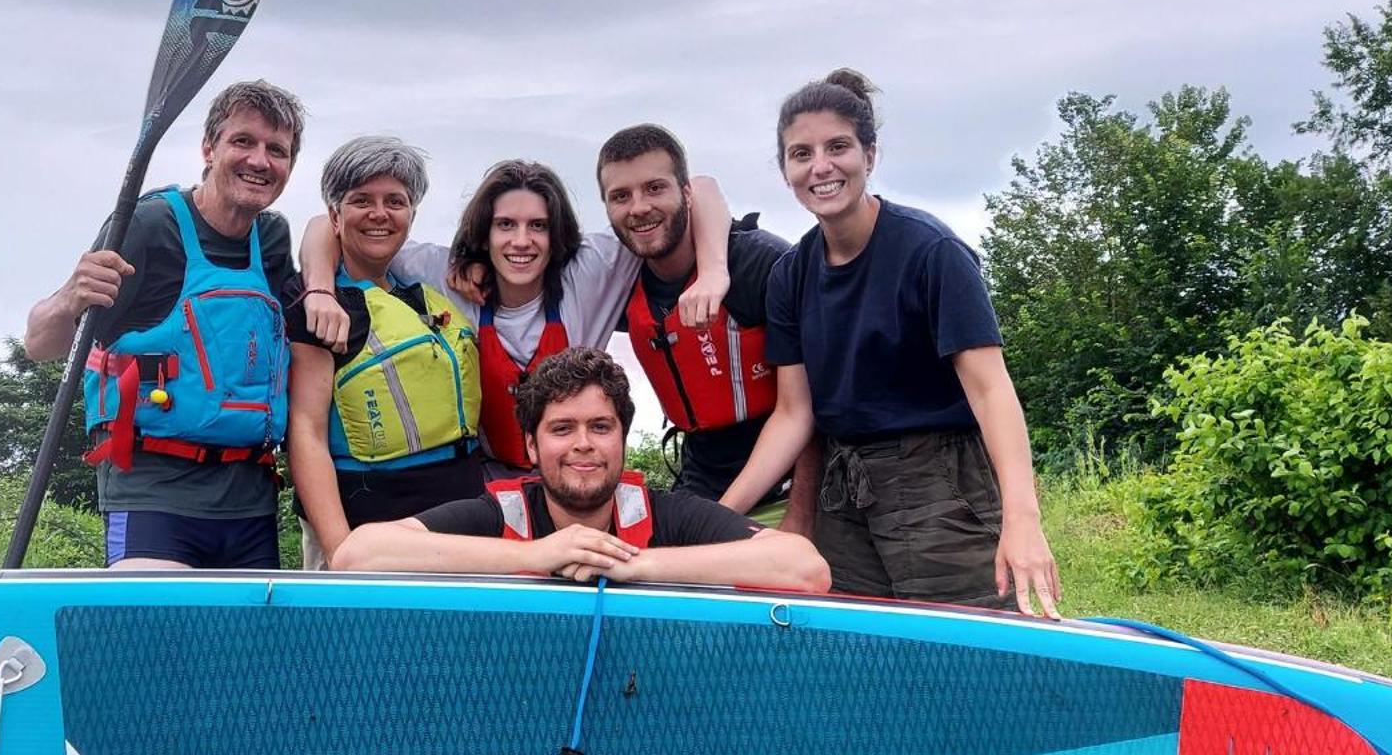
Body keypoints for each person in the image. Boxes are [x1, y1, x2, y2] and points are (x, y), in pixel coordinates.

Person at [718, 69, 1062, 616]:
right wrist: (720, 514)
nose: (821, 167)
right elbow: (792, 414)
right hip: (844, 492)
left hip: (940, 483)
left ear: (870, 155)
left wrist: (1023, 521)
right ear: (786, 171)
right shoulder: (791, 275)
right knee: (856, 657)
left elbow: (991, 390)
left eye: (838, 147)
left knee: (966, 651)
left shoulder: (932, 252)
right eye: (801, 154)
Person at [23, 80, 304, 570]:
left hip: (250, 502)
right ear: (209, 148)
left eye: (276, 150)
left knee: (249, 651)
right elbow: (39, 344)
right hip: (153, 495)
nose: (260, 161)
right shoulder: (147, 225)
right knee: (156, 642)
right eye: (243, 142)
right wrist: (71, 294)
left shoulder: (274, 238)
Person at [304, 159, 735, 476]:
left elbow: (701, 188)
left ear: (557, 232)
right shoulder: (442, 273)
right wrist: (320, 289)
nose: (522, 241)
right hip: (485, 479)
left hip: (575, 478)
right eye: (506, 225)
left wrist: (714, 271)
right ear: (484, 234)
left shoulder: (589, 270)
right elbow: (327, 225)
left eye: (538, 226)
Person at [334, 347, 829, 592]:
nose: (584, 445)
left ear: (622, 438)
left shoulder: (669, 515)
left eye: (600, 426)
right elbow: (356, 555)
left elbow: (805, 569)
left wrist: (637, 566)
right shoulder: (499, 513)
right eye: (562, 429)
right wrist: (542, 553)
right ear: (530, 445)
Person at [287, 136, 484, 567]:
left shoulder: (425, 290)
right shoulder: (317, 300)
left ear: (412, 213)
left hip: (455, 521)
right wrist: (340, 550)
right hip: (365, 527)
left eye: (395, 201)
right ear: (335, 214)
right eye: (362, 200)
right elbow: (306, 430)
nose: (380, 214)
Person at [596, 122, 806, 507]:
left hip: (793, 477)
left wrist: (801, 513)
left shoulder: (760, 264)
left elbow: (815, 405)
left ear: (686, 192)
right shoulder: (619, 280)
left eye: (655, 188)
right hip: (701, 474)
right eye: (621, 196)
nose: (639, 207)